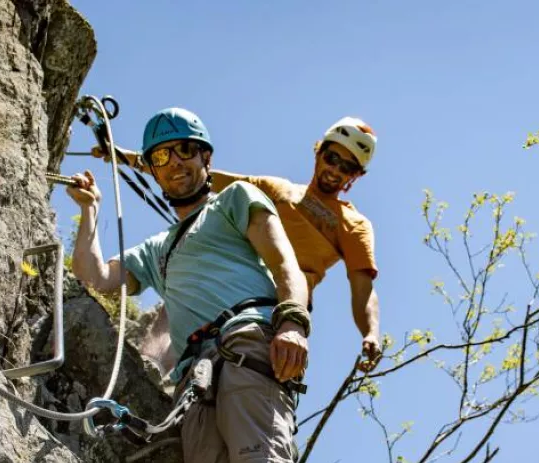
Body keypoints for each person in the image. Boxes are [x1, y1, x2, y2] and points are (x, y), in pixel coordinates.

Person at [69, 107, 324, 463]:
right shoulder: (157, 251)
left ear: (206, 157)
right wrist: (89, 212)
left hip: (246, 339)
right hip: (193, 375)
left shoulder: (236, 201)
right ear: (153, 169)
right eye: (161, 156)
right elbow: (95, 275)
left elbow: (285, 262)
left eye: (185, 149)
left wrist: (292, 321)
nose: (174, 163)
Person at [102, 117, 383, 372]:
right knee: (177, 304)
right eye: (332, 158)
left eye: (347, 167)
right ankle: (147, 376)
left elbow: (364, 290)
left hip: (275, 307)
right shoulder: (279, 189)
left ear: (355, 175)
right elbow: (199, 175)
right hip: (230, 279)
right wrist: (123, 157)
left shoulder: (354, 225)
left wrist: (371, 332)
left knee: (244, 375)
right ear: (319, 152)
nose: (335, 169)